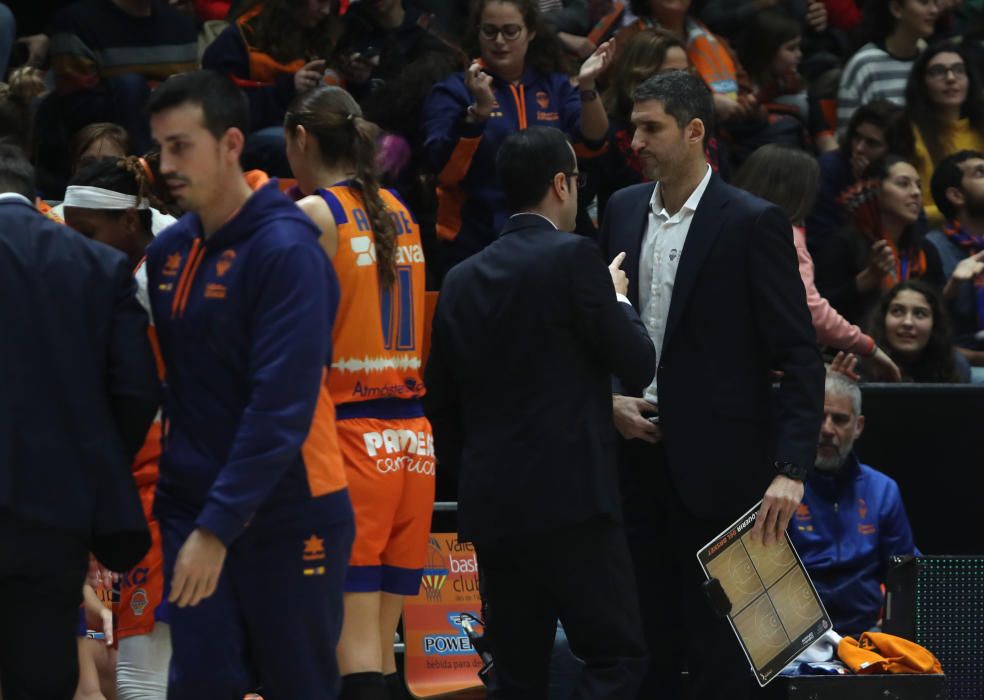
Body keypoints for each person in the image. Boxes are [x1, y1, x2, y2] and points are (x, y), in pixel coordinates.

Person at [598, 71, 824, 699]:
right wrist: (609, 399)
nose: (635, 139)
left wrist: (791, 468)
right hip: (635, 463)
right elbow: (598, 332)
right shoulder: (619, 209)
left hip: (728, 475)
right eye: (633, 126)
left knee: (731, 659)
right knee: (646, 649)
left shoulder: (753, 222)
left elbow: (801, 357)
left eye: (651, 127)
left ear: (694, 131)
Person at [144, 70, 354, 699]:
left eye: (181, 146)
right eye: (159, 147)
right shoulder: (168, 253)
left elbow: (280, 408)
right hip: (192, 502)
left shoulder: (288, 250)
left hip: (290, 506)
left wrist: (218, 527)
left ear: (232, 143)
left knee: (297, 685)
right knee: (202, 682)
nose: (164, 164)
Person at [424, 126, 654, 698]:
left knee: (516, 672)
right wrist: (619, 296)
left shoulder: (459, 279)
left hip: (494, 506)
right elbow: (637, 361)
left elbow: (442, 406)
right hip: (575, 503)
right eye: (577, 180)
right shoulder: (577, 258)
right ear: (560, 184)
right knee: (615, 657)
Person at [284, 85, 435, 700]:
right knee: (381, 654)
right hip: (413, 443)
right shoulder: (400, 208)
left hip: (351, 440)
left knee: (353, 662)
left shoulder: (315, 216)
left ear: (300, 139)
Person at [0, 145, 158, 698]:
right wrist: (94, 467)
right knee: (44, 675)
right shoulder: (99, 264)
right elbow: (137, 391)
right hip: (55, 512)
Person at [62, 155, 174, 700]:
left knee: (140, 674)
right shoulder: (153, 260)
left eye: (87, 233)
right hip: (159, 485)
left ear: (130, 222)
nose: (76, 246)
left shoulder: (152, 284)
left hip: (166, 485)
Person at [421, 0, 613, 279]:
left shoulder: (555, 86)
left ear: (530, 32)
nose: (499, 41)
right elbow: (445, 171)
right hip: (477, 243)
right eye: (490, 31)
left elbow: (593, 144)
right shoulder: (454, 90)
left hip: (552, 241)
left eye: (510, 31)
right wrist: (477, 116)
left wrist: (587, 85)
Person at [733, 144, 901, 380]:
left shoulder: (720, 225)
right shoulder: (785, 235)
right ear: (799, 192)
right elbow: (809, 311)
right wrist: (868, 347)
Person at [789, 371, 918, 636]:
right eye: (819, 417)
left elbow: (904, 574)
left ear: (858, 426)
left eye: (839, 419)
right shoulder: (781, 490)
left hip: (866, 635)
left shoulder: (883, 490)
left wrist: (899, 623)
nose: (826, 429)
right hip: (796, 640)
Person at [202, 0, 343, 176]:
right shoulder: (240, 38)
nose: (326, 11)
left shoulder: (324, 34)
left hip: (311, 125)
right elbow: (223, 110)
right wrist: (288, 89)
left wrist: (358, 82)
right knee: (298, 145)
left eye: (332, 4)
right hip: (253, 134)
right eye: (320, 2)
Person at [813, 154, 944, 327]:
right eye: (903, 184)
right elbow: (820, 312)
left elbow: (939, 314)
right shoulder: (843, 243)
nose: (916, 193)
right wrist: (866, 280)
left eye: (918, 186)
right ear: (875, 190)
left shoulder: (925, 249)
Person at [891, 42, 984, 225]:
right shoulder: (907, 132)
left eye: (959, 70)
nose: (950, 78)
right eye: (938, 72)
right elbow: (905, 206)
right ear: (922, 83)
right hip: (932, 234)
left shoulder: (980, 126)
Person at [806, 99, 901, 251]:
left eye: (872, 143)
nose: (859, 148)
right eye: (856, 137)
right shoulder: (827, 169)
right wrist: (860, 190)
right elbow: (823, 240)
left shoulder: (901, 171)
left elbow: (915, 226)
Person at [836, 0, 938, 132]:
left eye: (935, 2)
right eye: (924, 2)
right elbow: (847, 136)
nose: (934, 10)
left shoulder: (930, 60)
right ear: (896, 8)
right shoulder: (864, 65)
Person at [927, 150, 984, 373]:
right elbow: (921, 334)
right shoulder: (932, 248)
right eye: (980, 173)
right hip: (959, 368)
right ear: (956, 195)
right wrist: (953, 286)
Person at [869, 279, 971, 381]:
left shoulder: (956, 366)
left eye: (920, 314)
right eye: (897, 311)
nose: (907, 322)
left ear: (935, 324)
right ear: (883, 320)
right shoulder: (861, 364)